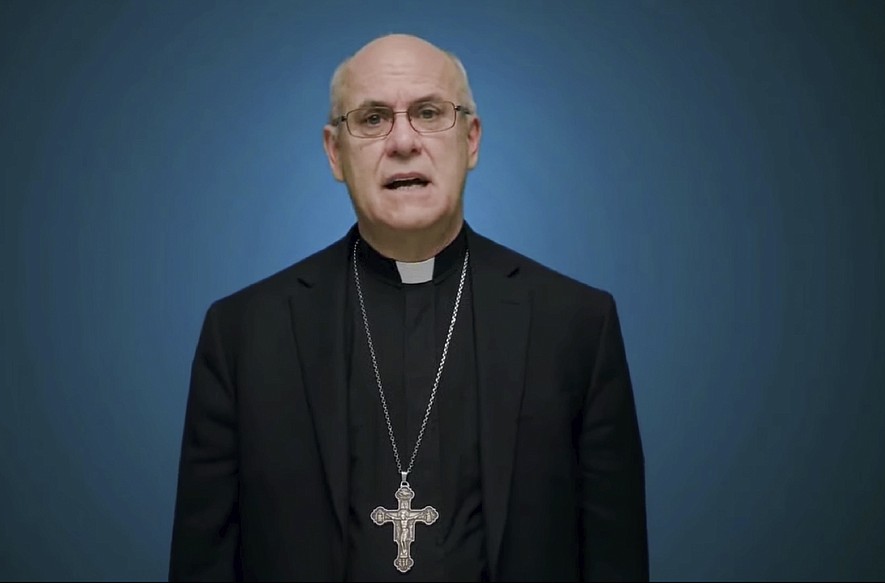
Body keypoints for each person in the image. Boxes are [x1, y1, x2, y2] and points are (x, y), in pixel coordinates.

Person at [169, 33, 648, 582]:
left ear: (471, 140)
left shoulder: (577, 324)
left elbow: (616, 560)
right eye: (372, 119)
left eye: (428, 112)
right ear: (334, 153)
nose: (402, 141)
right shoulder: (243, 335)